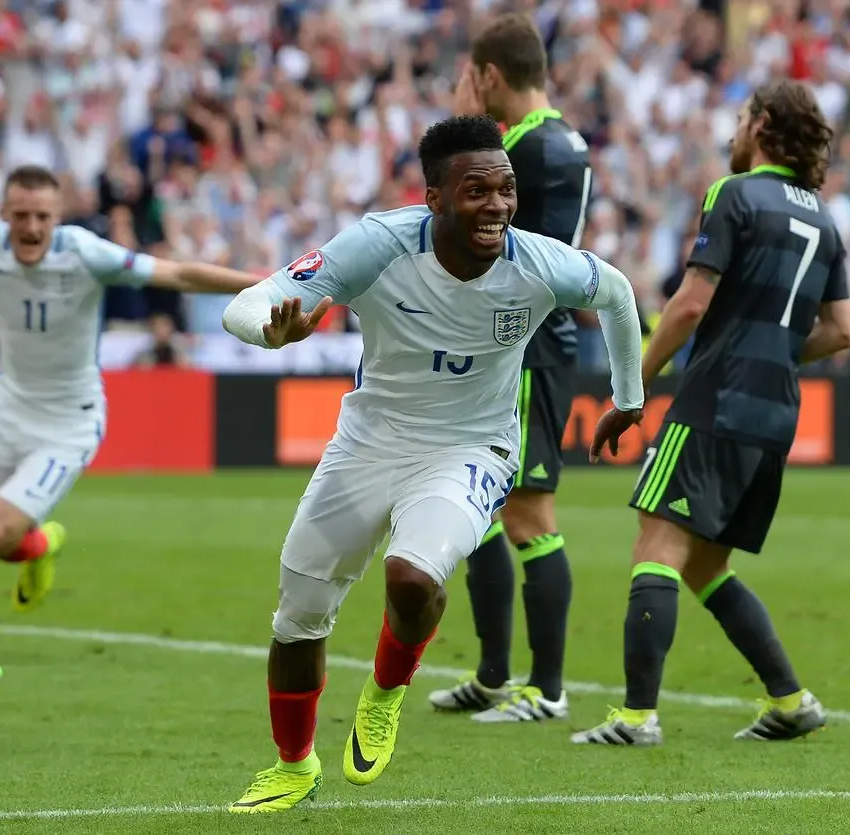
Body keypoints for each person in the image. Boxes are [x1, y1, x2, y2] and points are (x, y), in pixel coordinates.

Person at [220, 115, 644, 813]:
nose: (498, 206)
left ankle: (385, 691)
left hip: (472, 448)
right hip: (368, 443)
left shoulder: (536, 260)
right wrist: (268, 329)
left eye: (506, 189)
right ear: (435, 199)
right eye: (477, 191)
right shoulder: (379, 244)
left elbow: (618, 292)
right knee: (299, 616)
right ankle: (293, 764)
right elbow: (254, 299)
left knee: (411, 577)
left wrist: (628, 398)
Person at [571, 79, 850, 747]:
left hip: (715, 399)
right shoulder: (825, 217)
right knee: (703, 564)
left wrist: (629, 388)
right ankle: (790, 699)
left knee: (657, 543)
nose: (733, 132)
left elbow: (692, 304)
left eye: (739, 119)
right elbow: (842, 329)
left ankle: (638, 716)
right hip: (774, 414)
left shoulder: (736, 195)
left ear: (761, 126)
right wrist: (776, 351)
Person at [0, 148, 262, 611]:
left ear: (58, 217)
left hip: (68, 422)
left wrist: (265, 283)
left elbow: (178, 272)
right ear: (3, 213)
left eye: (42, 217)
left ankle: (42, 544)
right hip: (4, 407)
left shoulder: (85, 253)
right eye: (21, 215)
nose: (31, 227)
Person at [429, 12, 593, 724]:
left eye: (472, 77)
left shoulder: (523, 148)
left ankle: (547, 688)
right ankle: (495, 672)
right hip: (515, 347)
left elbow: (457, 233)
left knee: (529, 513)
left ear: (490, 76)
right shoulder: (560, 140)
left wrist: (465, 127)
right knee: (484, 509)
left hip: (528, 350)